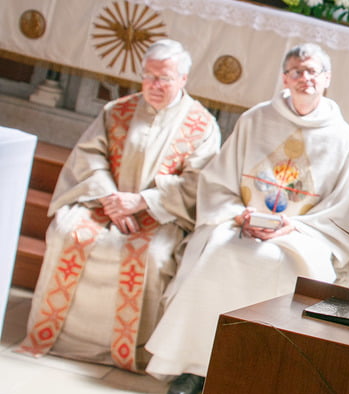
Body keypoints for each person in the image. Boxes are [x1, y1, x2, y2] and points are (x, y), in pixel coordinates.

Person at [146, 43, 349, 394]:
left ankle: (264, 378)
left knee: (282, 263)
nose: (304, 78)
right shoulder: (255, 119)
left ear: (327, 79)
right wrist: (240, 215)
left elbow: (342, 209)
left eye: (312, 71)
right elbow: (218, 182)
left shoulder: (342, 137)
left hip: (302, 233)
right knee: (219, 253)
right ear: (284, 78)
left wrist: (295, 227)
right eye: (296, 71)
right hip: (241, 223)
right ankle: (194, 366)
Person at [19, 39, 221, 371]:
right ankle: (55, 336)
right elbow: (89, 158)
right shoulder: (118, 110)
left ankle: (127, 352)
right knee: (68, 234)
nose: (154, 85)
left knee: (154, 256)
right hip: (104, 202)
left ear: (183, 79)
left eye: (164, 78)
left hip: (159, 212)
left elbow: (197, 182)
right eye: (149, 76)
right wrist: (110, 199)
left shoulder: (202, 126)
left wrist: (141, 201)